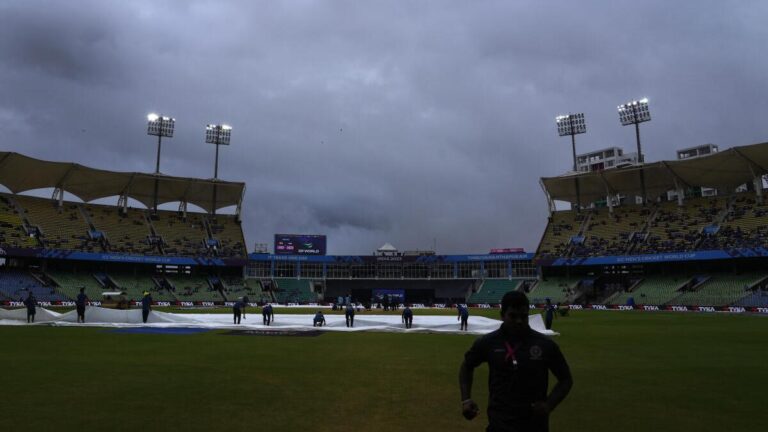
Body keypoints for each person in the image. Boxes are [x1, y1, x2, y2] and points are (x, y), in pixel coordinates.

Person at [459, 291, 573, 432]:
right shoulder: (488, 342)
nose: (519, 321)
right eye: (513, 316)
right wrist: (466, 400)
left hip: (534, 425)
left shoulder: (545, 344)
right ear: (502, 315)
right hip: (499, 424)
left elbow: (566, 379)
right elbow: (466, 366)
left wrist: (549, 405)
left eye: (523, 316)